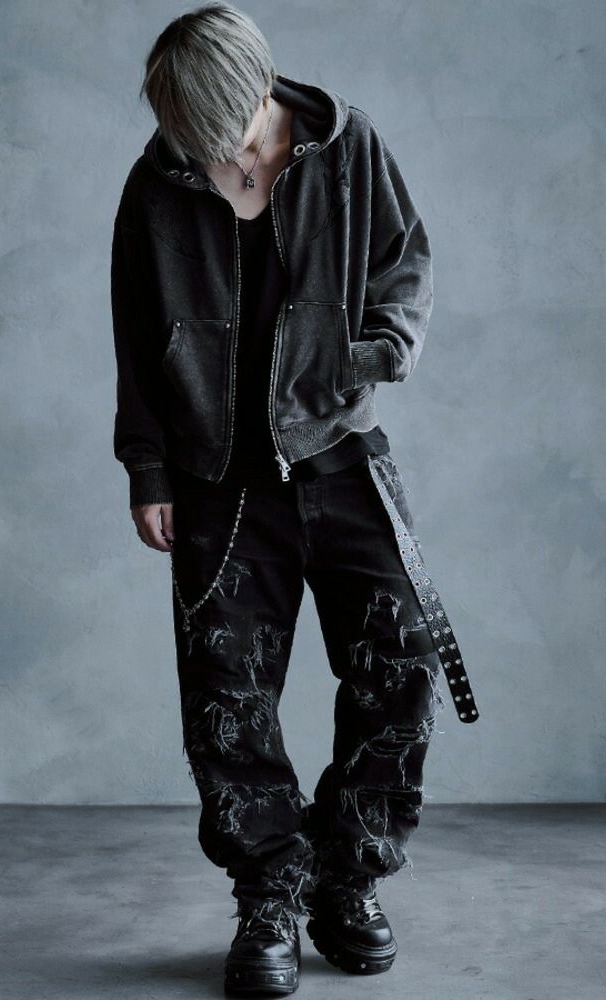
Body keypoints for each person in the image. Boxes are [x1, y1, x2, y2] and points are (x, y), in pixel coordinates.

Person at [110, 3, 479, 994]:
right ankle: (268, 894)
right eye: (188, 137)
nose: (208, 154)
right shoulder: (159, 182)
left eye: (220, 130)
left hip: (342, 459)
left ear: (258, 90)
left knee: (400, 667)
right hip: (216, 481)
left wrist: (376, 349)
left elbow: (405, 259)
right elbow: (136, 336)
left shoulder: (347, 150)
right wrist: (148, 470)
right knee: (227, 703)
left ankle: (348, 880)